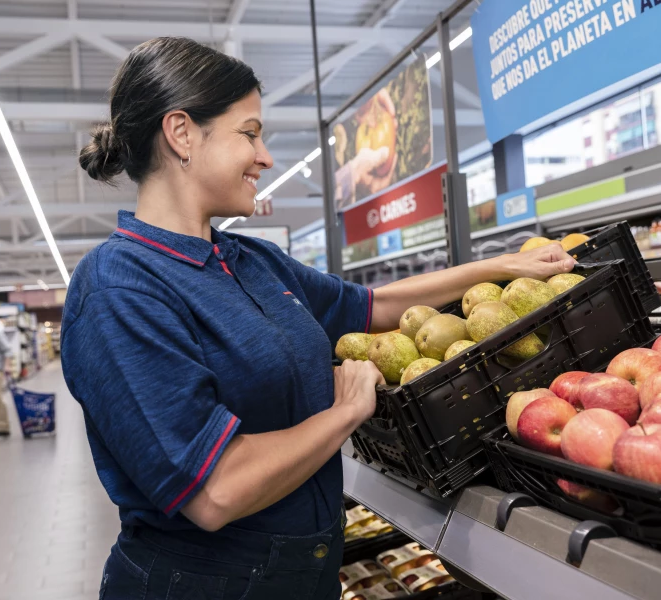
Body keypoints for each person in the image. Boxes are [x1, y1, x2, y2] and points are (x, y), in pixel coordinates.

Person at [61, 37, 575, 600]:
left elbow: (373, 306)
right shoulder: (119, 289)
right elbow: (216, 491)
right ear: (182, 133)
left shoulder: (249, 261)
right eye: (249, 133)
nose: (266, 156)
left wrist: (500, 266)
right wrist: (346, 411)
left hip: (304, 575)